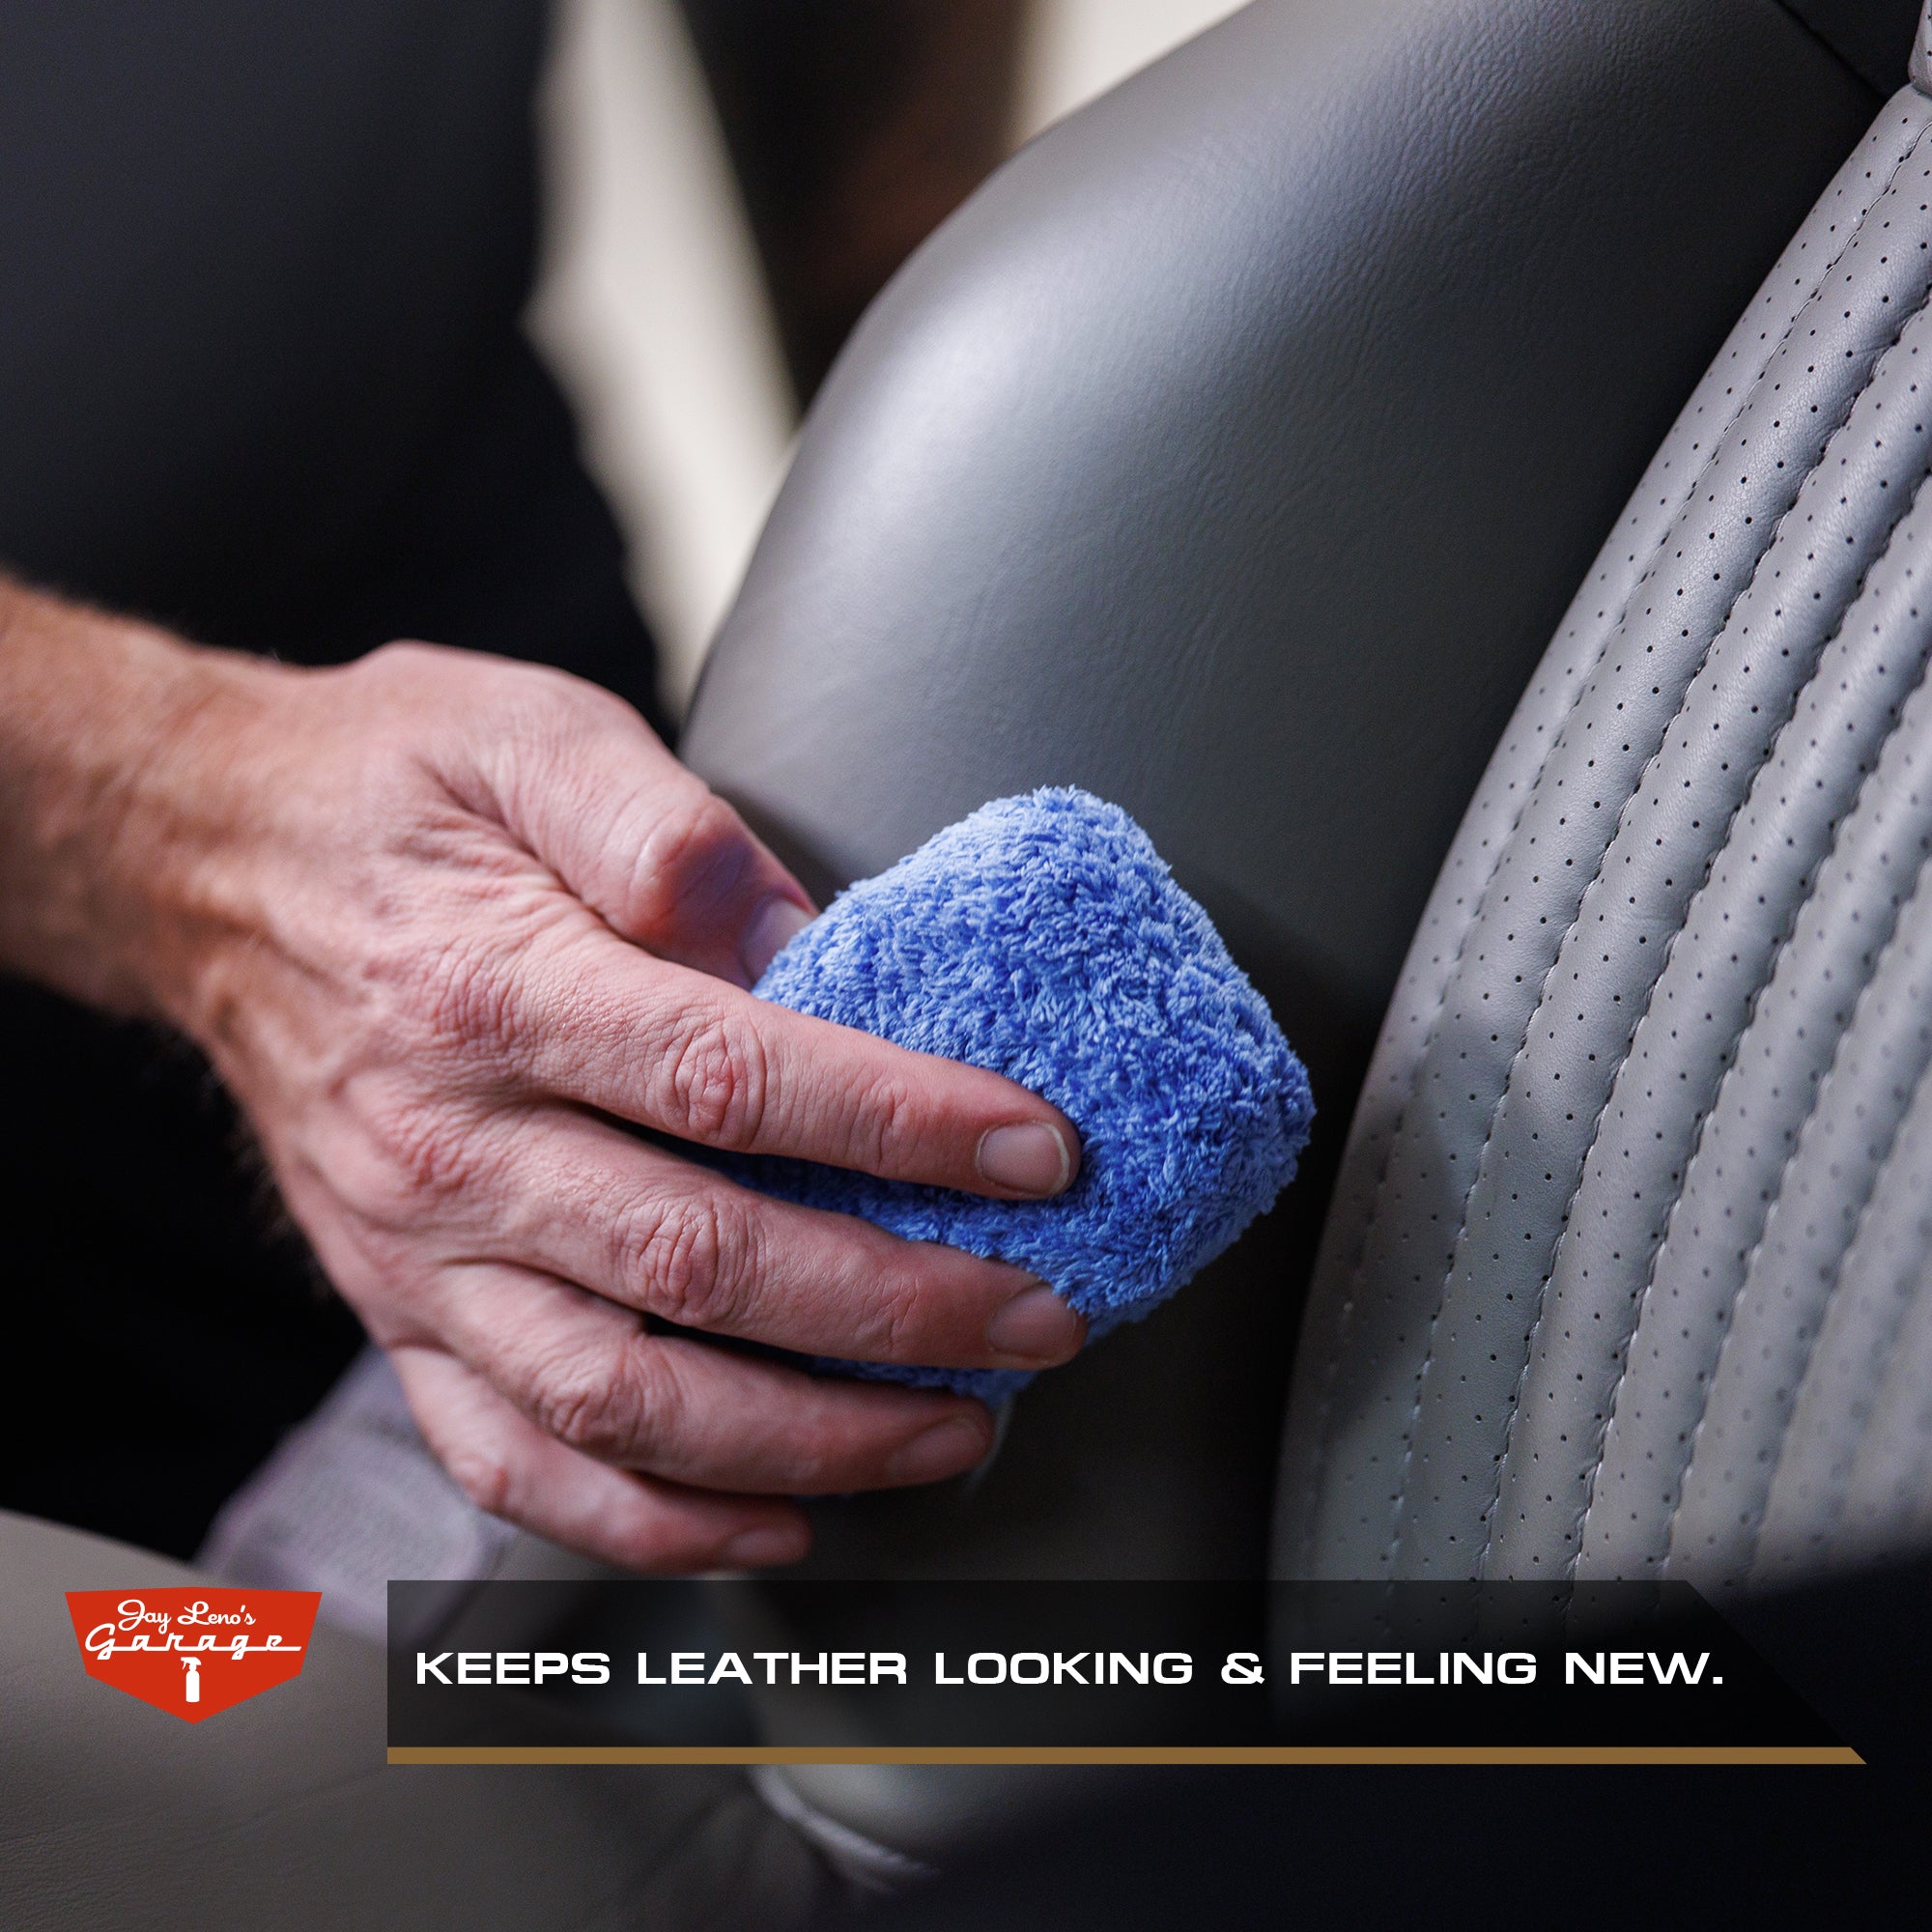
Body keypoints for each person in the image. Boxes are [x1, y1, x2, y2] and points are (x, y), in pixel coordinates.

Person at [0, 0, 1067, 1575]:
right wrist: (168, 817)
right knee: (195, 1746)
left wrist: (922, 552)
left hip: (485, 627)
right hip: (50, 1209)